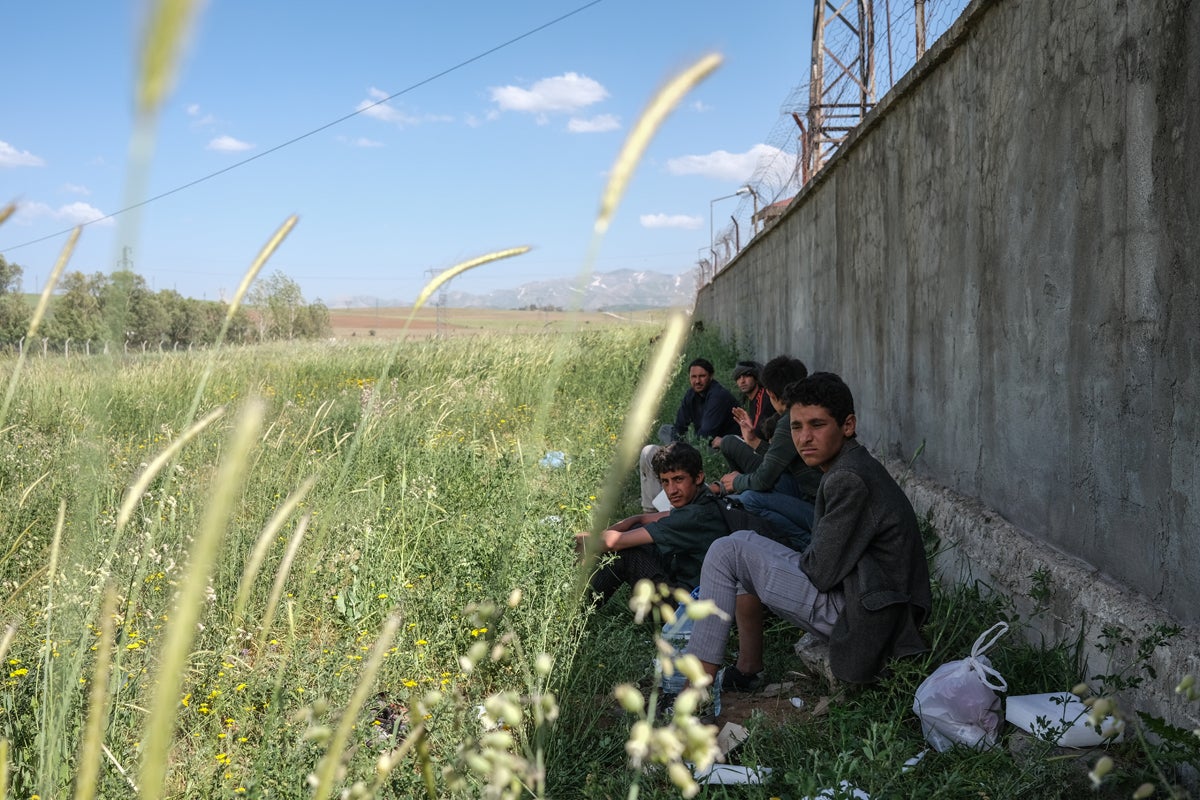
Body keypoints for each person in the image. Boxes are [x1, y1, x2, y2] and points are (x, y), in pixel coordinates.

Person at [684, 372, 932, 688]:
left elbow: (821, 572)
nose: (804, 438)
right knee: (740, 544)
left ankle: (693, 695)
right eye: (796, 427)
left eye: (817, 425)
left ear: (848, 425)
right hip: (871, 602)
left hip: (871, 620)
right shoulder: (847, 466)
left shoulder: (848, 479)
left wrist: (778, 559)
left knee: (727, 552)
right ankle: (747, 670)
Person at [578, 442, 730, 606]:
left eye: (678, 479)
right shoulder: (703, 498)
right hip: (690, 586)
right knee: (636, 532)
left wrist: (574, 540)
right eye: (665, 482)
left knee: (628, 554)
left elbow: (613, 542)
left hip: (689, 605)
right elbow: (640, 519)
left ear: (698, 477)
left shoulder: (694, 516)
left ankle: (578, 610)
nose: (671, 490)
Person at [713, 356, 821, 550]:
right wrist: (754, 440)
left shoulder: (790, 420)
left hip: (820, 511)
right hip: (805, 492)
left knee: (750, 499)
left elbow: (764, 479)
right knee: (749, 483)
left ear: (770, 393)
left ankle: (809, 545)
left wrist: (737, 481)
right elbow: (778, 461)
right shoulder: (803, 412)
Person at [639, 358, 739, 512]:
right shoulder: (691, 395)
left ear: (711, 376)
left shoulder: (718, 396)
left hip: (718, 446)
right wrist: (672, 449)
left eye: (702, 376)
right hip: (700, 441)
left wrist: (678, 452)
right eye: (694, 377)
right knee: (665, 430)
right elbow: (680, 426)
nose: (697, 381)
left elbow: (706, 434)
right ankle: (650, 509)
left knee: (674, 452)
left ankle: (663, 507)